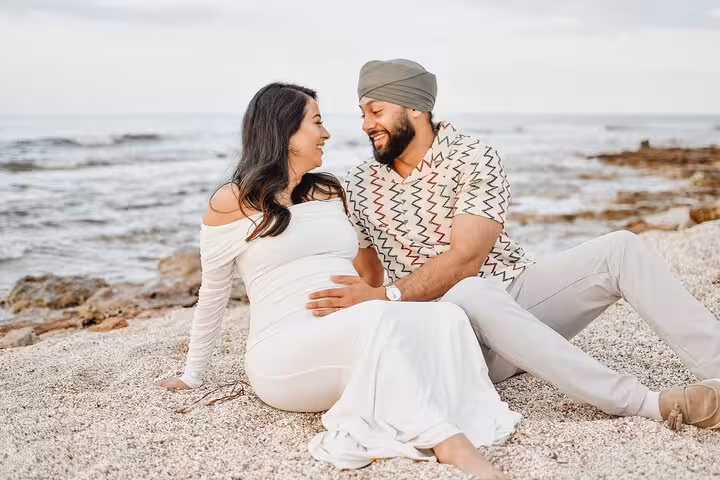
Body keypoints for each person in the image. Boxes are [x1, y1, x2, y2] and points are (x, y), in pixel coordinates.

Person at [307, 59, 720, 431]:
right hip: (447, 333)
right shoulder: (360, 183)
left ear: (415, 107)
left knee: (620, 248)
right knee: (468, 293)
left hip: (518, 296)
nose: (365, 124)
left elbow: (466, 259)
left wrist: (387, 294)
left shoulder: (475, 157)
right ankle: (646, 404)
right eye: (363, 113)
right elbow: (368, 275)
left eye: (376, 110)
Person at [159, 82, 522, 479]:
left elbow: (365, 273)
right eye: (316, 122)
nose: (327, 133)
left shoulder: (328, 192)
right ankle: (451, 443)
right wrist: (192, 375)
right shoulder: (231, 202)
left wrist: (379, 296)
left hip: (350, 327)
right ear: (284, 132)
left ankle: (443, 408)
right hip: (284, 353)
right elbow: (212, 296)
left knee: (446, 317)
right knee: (377, 321)